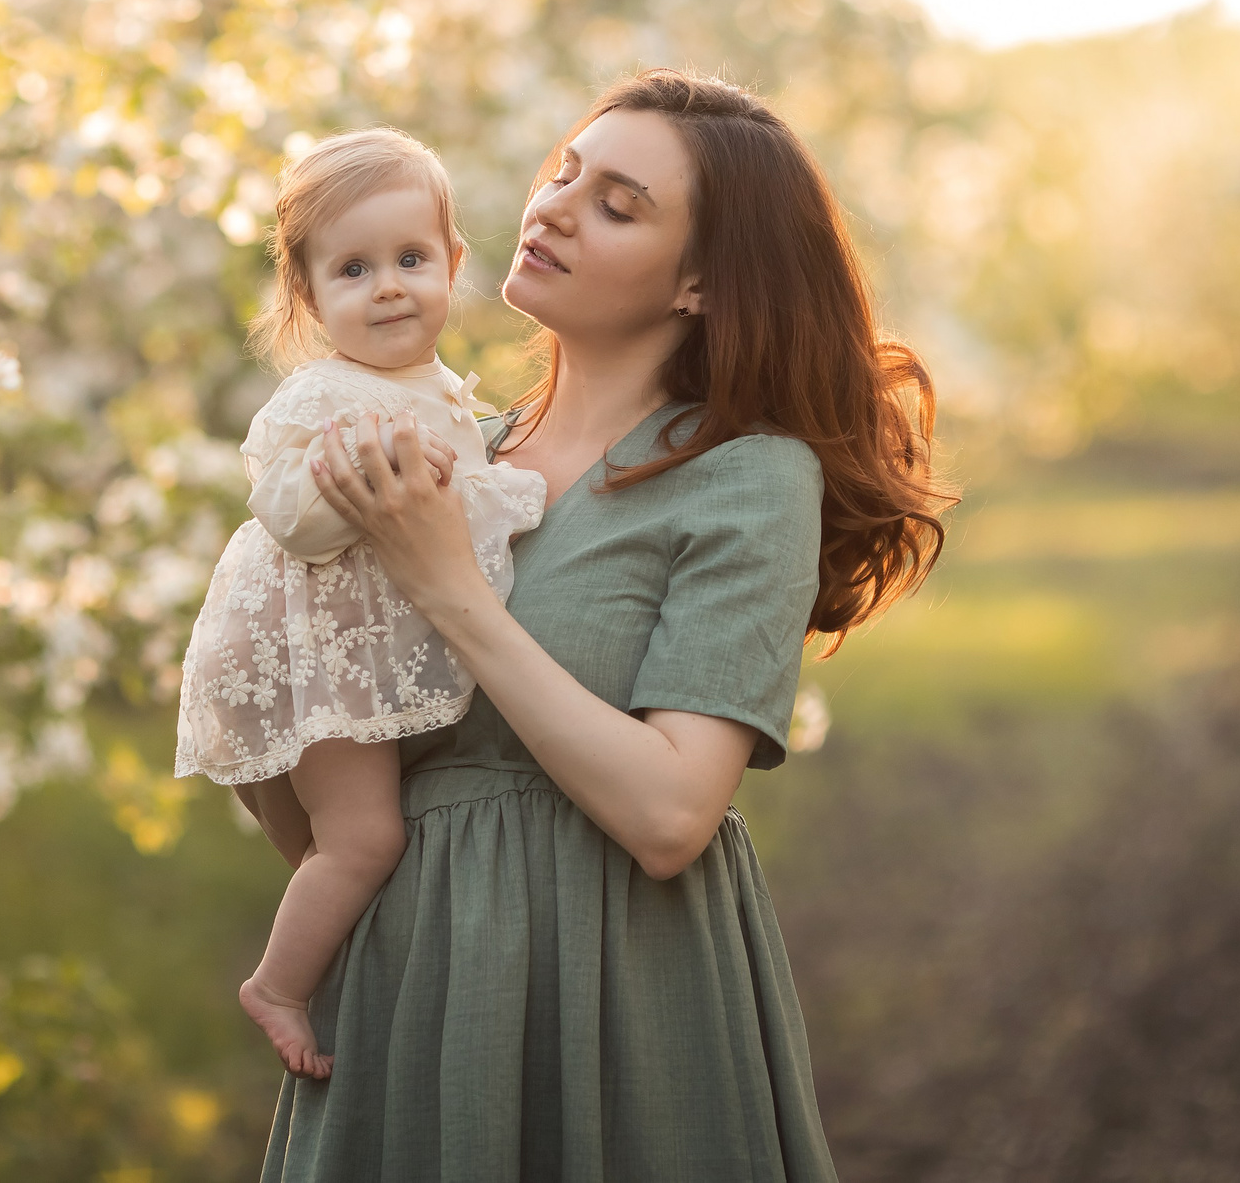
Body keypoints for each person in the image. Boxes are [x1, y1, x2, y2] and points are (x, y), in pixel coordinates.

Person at [259, 69, 956, 1182]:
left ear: (701, 284)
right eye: (564, 173)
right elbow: (313, 780)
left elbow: (671, 815)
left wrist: (448, 588)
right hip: (408, 980)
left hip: (621, 984)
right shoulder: (449, 452)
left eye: (617, 205)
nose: (554, 209)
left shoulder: (747, 477)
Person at [175, 127, 548, 1079]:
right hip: (306, 661)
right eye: (353, 269)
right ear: (310, 297)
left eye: (410, 259)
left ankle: (355, 972)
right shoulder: (324, 396)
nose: (387, 286)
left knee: (346, 853)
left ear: (453, 265)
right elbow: (291, 520)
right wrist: (363, 472)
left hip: (339, 655)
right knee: (367, 839)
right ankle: (278, 985)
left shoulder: (438, 391)